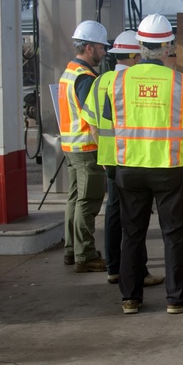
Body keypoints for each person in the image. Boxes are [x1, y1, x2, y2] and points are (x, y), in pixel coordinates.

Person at [106, 14, 183, 315]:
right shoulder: (180, 83)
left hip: (129, 167)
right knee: (173, 234)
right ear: (167, 47)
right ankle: (176, 299)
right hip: (168, 167)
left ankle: (130, 298)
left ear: (139, 45)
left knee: (132, 233)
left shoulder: (118, 80)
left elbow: (112, 121)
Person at [80, 30, 162, 287]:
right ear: (136, 55)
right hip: (133, 157)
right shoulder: (132, 81)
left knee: (114, 213)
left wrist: (105, 149)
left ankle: (114, 268)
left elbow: (92, 122)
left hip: (109, 159)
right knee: (136, 221)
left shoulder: (101, 81)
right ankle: (139, 272)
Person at [59, 20, 109, 273]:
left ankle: (72, 250)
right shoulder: (86, 78)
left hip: (71, 147)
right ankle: (85, 255)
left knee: (75, 199)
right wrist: (104, 149)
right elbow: (93, 119)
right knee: (88, 202)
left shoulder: (69, 72)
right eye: (102, 47)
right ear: (89, 47)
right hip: (87, 148)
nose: (104, 52)